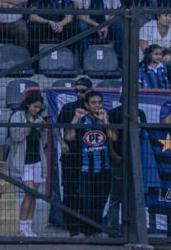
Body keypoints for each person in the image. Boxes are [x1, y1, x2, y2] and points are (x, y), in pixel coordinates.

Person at [64, 89, 115, 237]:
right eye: (93, 102)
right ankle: (85, 231)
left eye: (99, 102)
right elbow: (68, 137)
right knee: (86, 202)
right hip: (85, 168)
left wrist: (106, 121)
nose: (97, 105)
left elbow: (113, 137)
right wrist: (75, 118)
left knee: (101, 200)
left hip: (104, 168)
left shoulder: (105, 117)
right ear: (86, 104)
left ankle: (96, 230)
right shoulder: (81, 118)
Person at [7, 91, 47, 237]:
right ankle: (21, 227)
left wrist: (42, 129)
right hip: (23, 160)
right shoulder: (17, 116)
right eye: (35, 107)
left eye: (39, 108)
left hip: (36, 159)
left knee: (34, 194)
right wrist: (30, 125)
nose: (37, 110)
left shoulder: (39, 117)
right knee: (29, 193)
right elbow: (16, 136)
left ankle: (29, 227)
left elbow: (43, 142)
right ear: (28, 105)